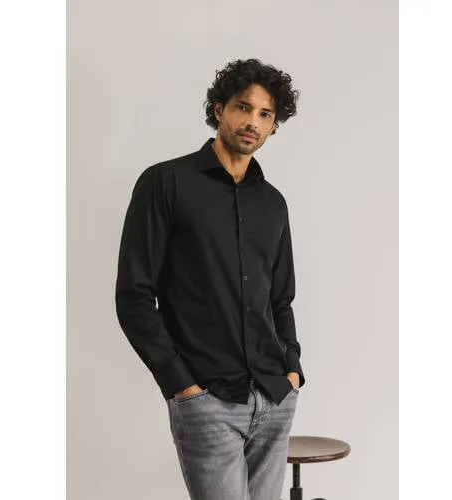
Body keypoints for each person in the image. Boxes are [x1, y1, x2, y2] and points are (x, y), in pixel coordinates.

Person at [115, 58, 306, 500]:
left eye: (265, 114)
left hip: (274, 395)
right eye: (243, 107)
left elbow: (280, 298)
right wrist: (182, 386)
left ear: (274, 125)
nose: (253, 122)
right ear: (219, 109)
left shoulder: (273, 203)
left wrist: (292, 369)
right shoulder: (165, 183)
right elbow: (134, 296)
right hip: (207, 400)